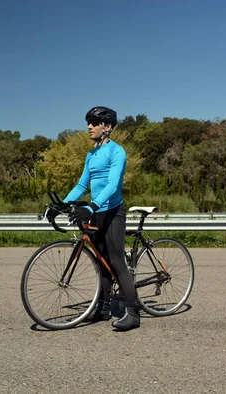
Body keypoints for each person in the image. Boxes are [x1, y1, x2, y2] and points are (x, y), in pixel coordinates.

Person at [60, 106, 139, 331]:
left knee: (115, 260)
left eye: (94, 123)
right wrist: (63, 205)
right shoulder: (91, 155)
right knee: (101, 260)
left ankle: (133, 314)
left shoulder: (117, 152)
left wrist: (92, 206)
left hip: (113, 211)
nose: (89, 127)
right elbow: (82, 185)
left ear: (108, 127)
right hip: (98, 212)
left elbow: (114, 185)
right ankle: (102, 309)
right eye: (89, 122)